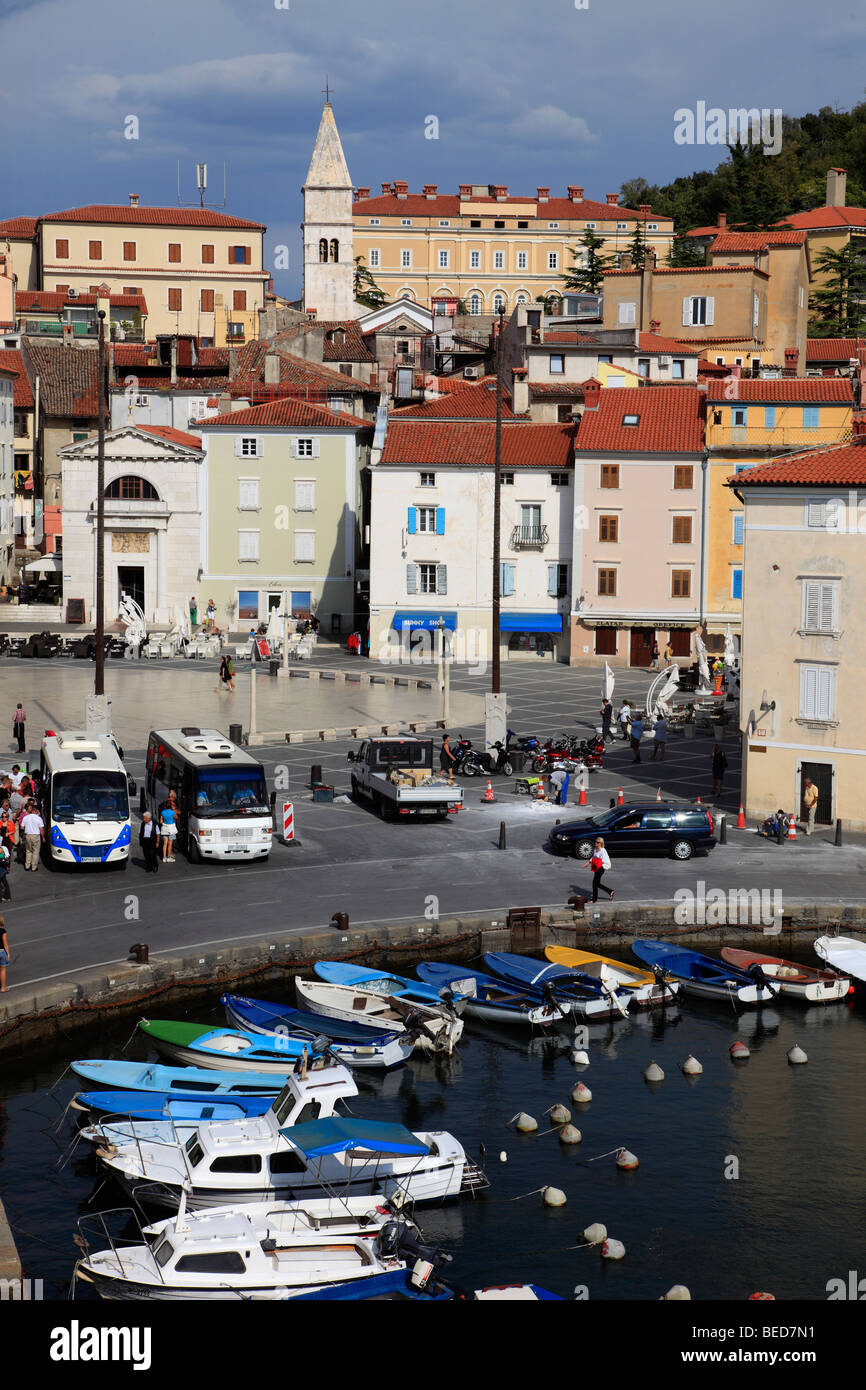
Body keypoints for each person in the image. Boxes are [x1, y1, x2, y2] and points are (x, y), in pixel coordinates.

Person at [585, 837, 614, 903]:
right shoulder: (595, 849)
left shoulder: (603, 850)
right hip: (596, 867)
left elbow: (603, 860)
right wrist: (588, 863)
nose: (595, 843)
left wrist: (595, 862)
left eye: (597, 842)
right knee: (597, 883)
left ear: (601, 843)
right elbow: (593, 857)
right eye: (595, 842)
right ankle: (610, 891)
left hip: (601, 867)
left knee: (594, 883)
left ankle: (594, 900)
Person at [20, 798, 45, 871]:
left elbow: (21, 827)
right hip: (36, 835)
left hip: (27, 835)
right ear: (35, 811)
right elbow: (41, 829)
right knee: (36, 851)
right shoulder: (38, 818)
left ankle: (27, 866)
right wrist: (43, 837)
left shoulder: (25, 817)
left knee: (28, 851)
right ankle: (34, 867)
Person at [0, 917, 9, 990]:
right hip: (1, 951)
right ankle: (3, 988)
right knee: (3, 969)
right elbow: (5, 943)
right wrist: (8, 954)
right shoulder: (3, 931)